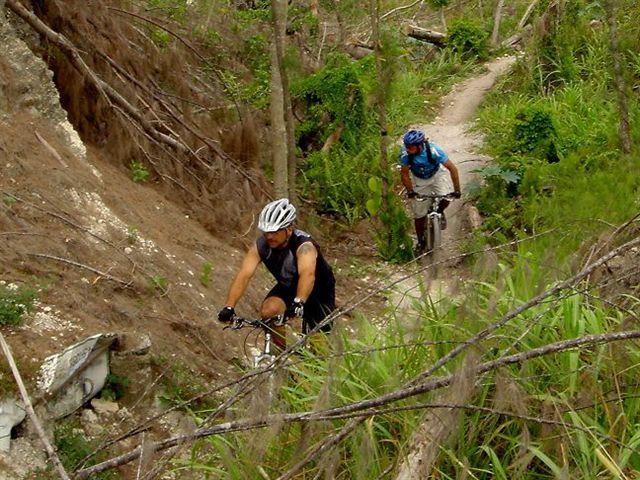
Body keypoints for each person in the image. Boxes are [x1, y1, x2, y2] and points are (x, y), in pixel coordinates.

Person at [217, 198, 336, 350]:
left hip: (319, 291)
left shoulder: (304, 246)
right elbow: (244, 275)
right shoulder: (262, 246)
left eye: (274, 232)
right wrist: (229, 307)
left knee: (319, 350)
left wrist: (299, 302)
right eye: (266, 232)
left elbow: (308, 274)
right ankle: (282, 355)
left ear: (289, 229)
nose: (269, 237)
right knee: (269, 311)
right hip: (289, 287)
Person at [399, 129, 461, 254]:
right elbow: (404, 174)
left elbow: (452, 168)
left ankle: (439, 211)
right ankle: (421, 241)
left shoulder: (433, 150)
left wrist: (457, 190)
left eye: (411, 147)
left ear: (419, 145)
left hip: (436, 175)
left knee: (447, 197)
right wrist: (410, 191)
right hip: (420, 179)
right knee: (419, 214)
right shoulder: (405, 154)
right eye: (407, 146)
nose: (408, 149)